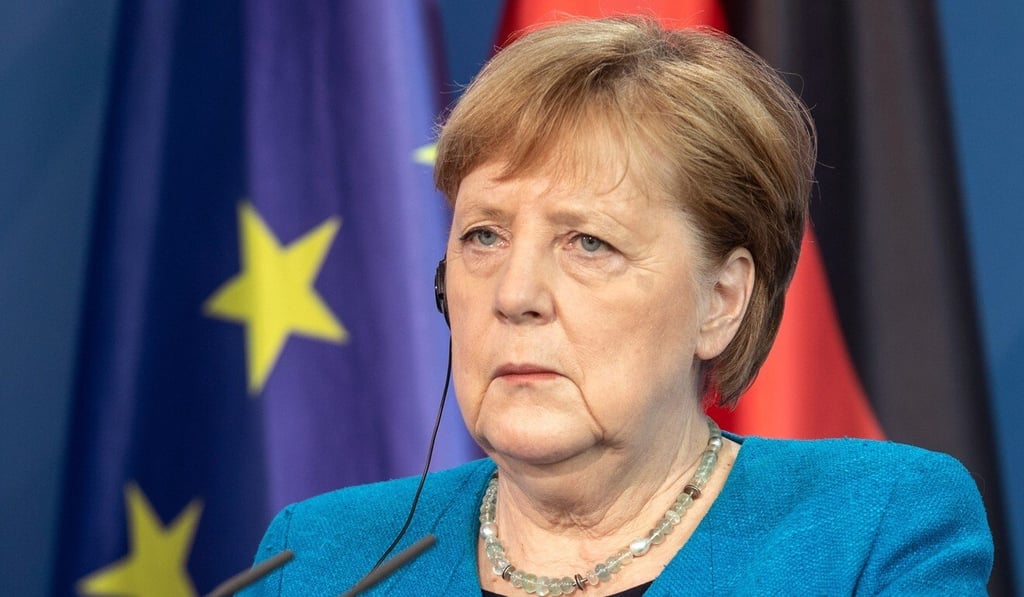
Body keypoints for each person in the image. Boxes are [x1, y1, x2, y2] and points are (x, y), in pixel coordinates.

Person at [241, 17, 993, 596]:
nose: (514, 294)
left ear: (720, 302)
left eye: (589, 243)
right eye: (483, 235)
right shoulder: (320, 558)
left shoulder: (872, 527)